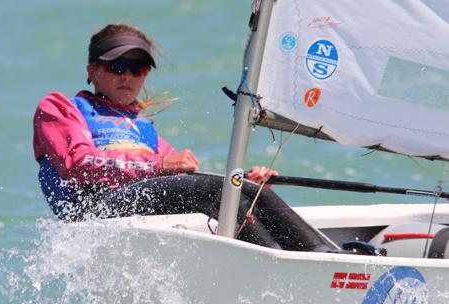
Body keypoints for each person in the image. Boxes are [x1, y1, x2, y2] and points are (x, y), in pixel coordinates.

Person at [33, 23, 332, 252]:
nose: (127, 76)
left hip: (136, 204)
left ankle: (322, 256)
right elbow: (78, 162)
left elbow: (185, 178)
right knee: (214, 192)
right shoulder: (62, 108)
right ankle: (276, 262)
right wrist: (159, 166)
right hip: (94, 210)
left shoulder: (141, 127)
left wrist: (241, 178)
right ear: (93, 70)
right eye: (117, 67)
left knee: (246, 190)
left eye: (137, 68)